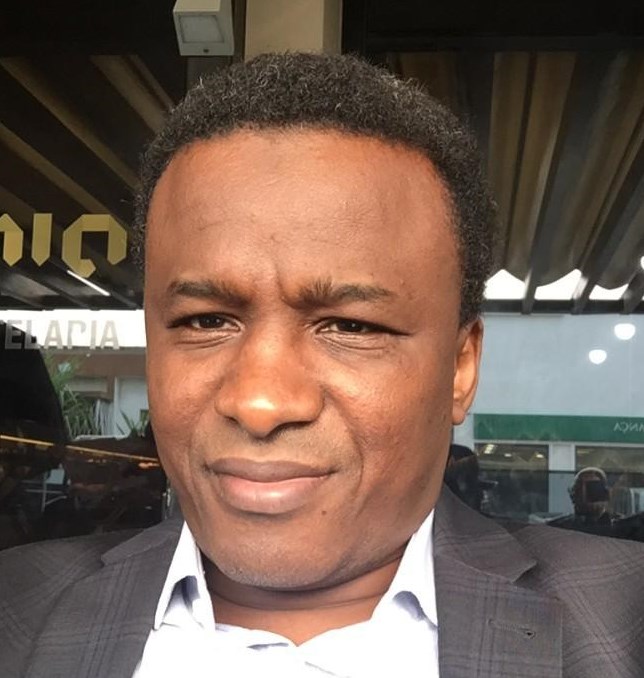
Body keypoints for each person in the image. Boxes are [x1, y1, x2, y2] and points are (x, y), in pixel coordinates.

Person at [1, 52, 644, 678]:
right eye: (205, 320)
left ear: (460, 368)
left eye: (351, 326)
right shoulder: (17, 606)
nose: (260, 402)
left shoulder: (621, 619)